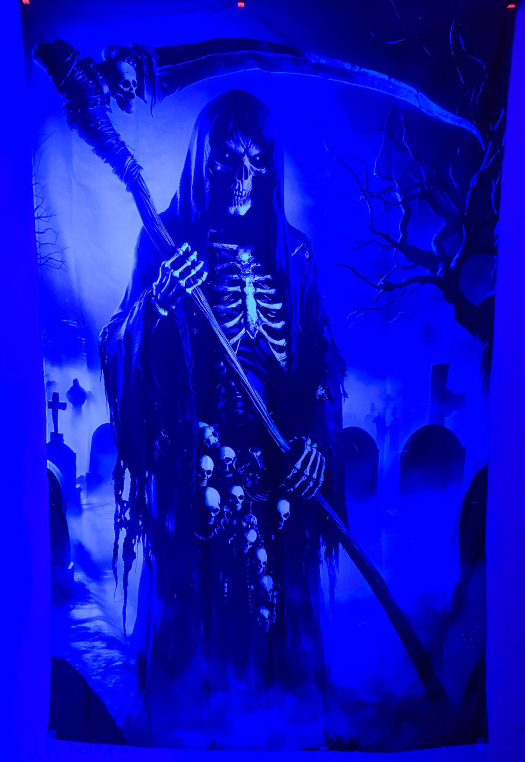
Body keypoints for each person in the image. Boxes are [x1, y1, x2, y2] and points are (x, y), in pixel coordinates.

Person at [100, 89, 346, 746]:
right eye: (226, 158)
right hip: (197, 479)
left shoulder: (294, 254)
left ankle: (285, 738)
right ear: (201, 161)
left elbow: (322, 359)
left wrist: (312, 440)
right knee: (198, 639)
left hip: (280, 474)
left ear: (269, 166)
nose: (241, 174)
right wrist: (157, 305)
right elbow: (118, 340)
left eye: (254, 159)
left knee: (281, 632)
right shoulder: (163, 241)